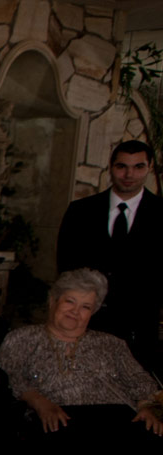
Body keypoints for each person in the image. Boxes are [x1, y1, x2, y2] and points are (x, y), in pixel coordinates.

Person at [0, 268, 163, 455]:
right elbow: (10, 377)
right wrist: (38, 401)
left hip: (115, 414)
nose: (76, 312)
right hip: (58, 412)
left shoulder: (111, 344)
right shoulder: (23, 338)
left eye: (86, 307)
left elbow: (142, 382)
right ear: (53, 302)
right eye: (70, 302)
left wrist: (148, 406)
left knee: (150, 439)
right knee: (70, 440)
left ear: (94, 312)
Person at [57, 140, 162, 373]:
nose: (129, 174)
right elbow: (65, 272)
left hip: (140, 333)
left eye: (138, 167)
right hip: (86, 326)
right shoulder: (80, 212)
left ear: (150, 167)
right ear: (111, 166)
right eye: (122, 166)